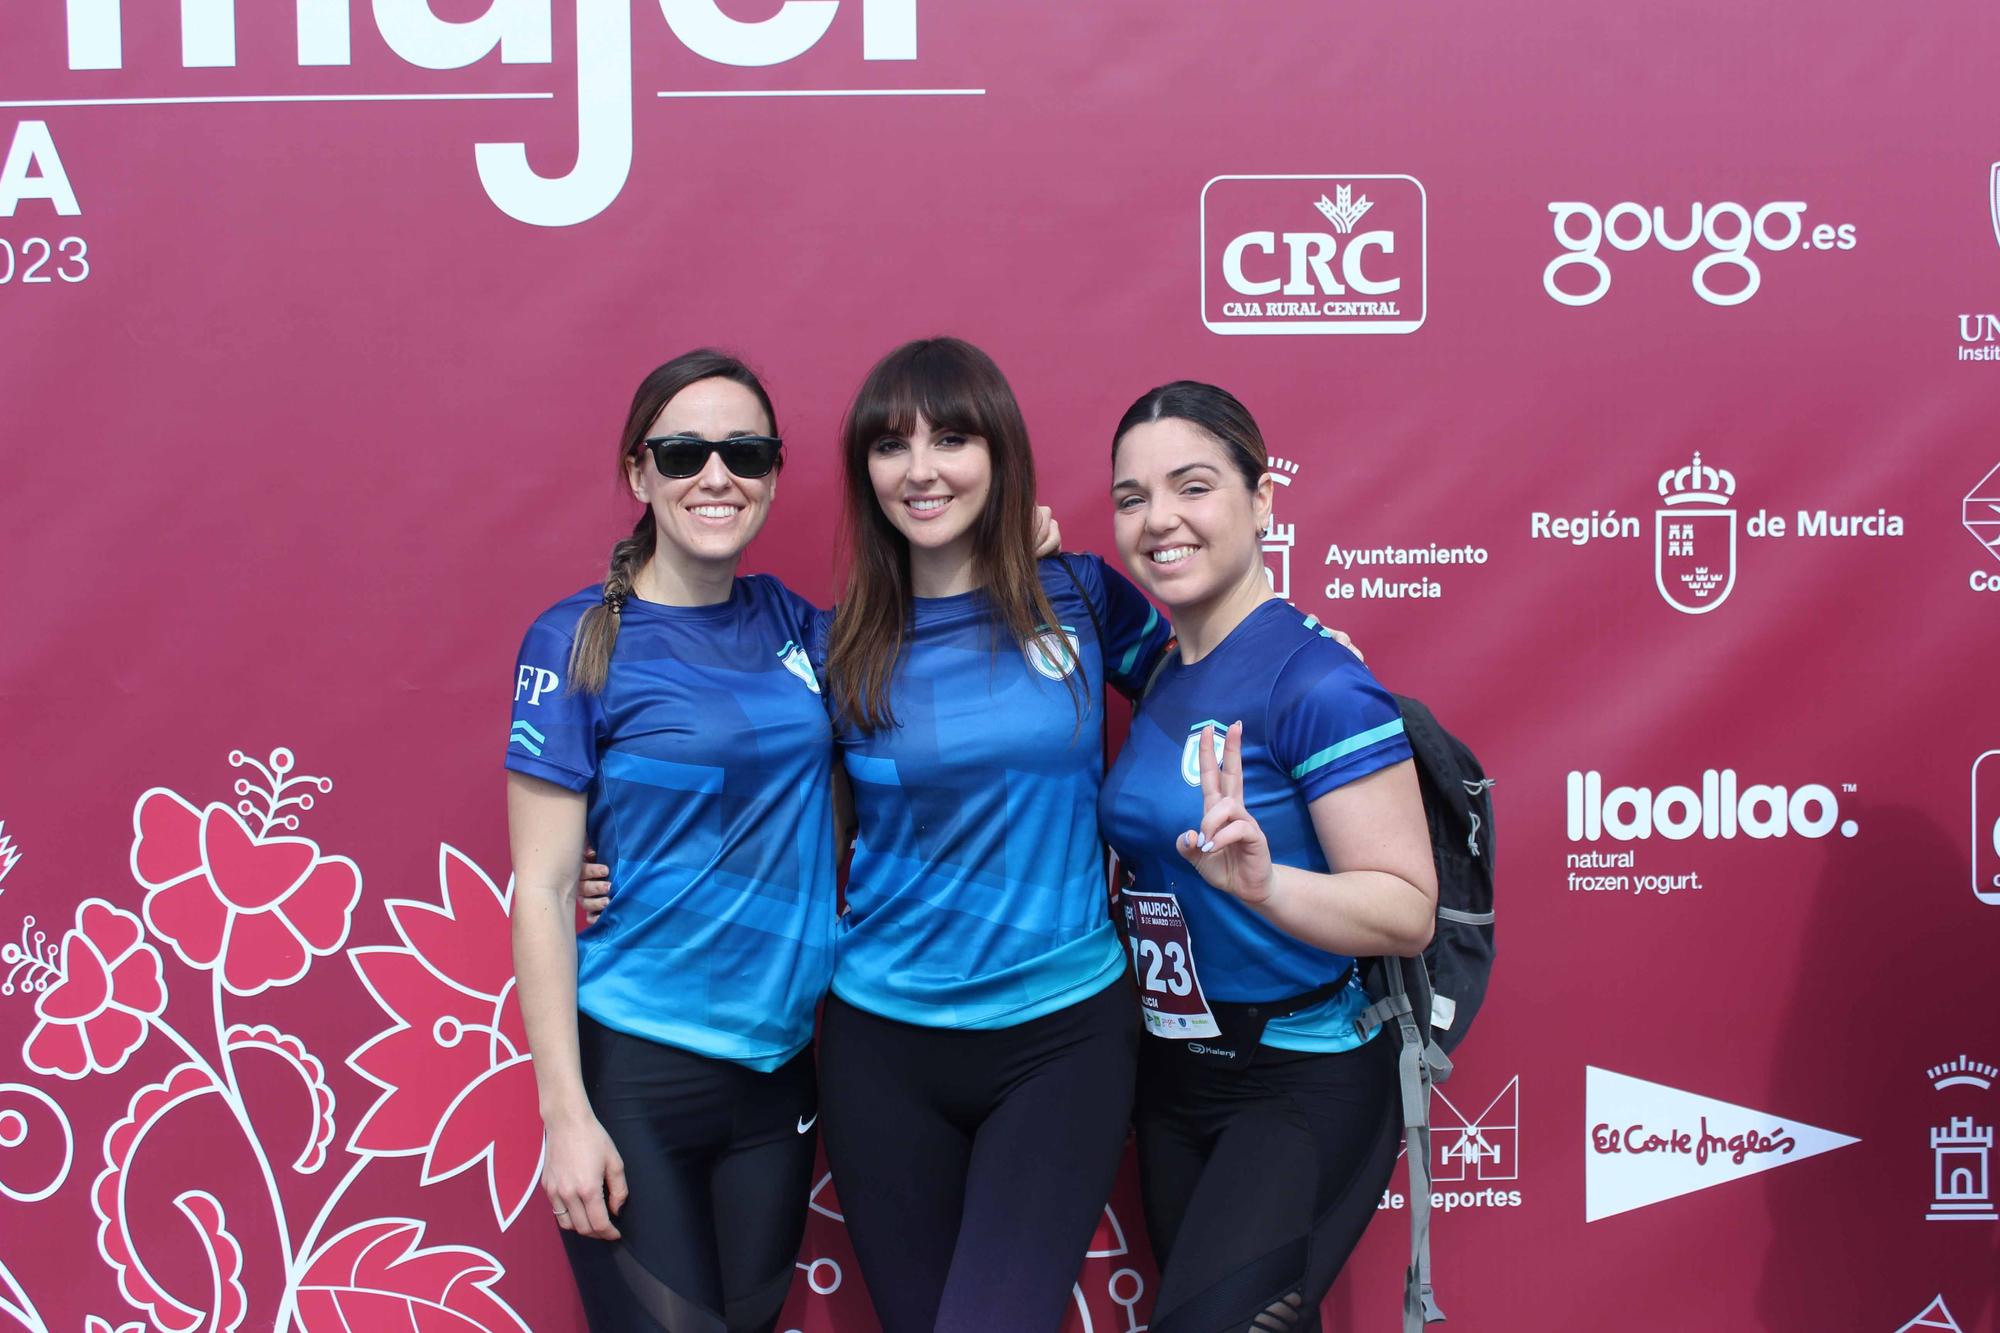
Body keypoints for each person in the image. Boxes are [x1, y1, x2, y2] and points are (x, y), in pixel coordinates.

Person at [811, 337, 1174, 1333]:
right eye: (891, 446)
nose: (921, 468)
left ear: (1000, 452)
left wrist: (1318, 670)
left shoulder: (1084, 594)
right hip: (880, 1051)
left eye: (952, 438)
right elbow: (741, 793)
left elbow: (1206, 692)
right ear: (865, 471)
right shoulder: (831, 642)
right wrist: (595, 871)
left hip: (1061, 1039)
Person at [1097, 381, 1437, 1333]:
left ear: (1262, 500)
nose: (1160, 519)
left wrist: (1266, 883)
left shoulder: (1316, 679)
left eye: (1193, 486)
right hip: (1175, 1080)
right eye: (1132, 498)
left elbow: (1407, 906)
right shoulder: (1165, 668)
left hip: (1297, 1080)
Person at [506, 350, 834, 1333]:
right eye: (684, 451)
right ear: (639, 473)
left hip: (779, 1079)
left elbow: (938, 695)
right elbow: (541, 886)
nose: (715, 475)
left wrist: (1021, 547)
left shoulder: (800, 627)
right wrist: (565, 1117)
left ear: (774, 472)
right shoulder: (573, 641)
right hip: (635, 1078)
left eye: (743, 452)